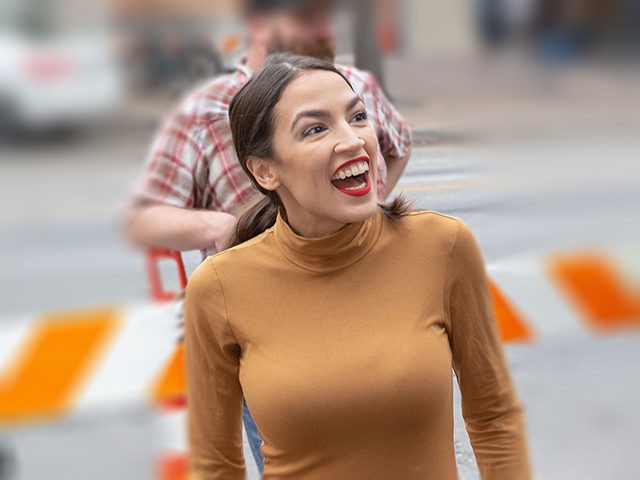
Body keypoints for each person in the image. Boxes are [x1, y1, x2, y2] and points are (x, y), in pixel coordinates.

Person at [184, 53, 531, 479]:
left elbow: (494, 417)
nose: (352, 140)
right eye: (315, 128)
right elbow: (215, 464)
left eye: (358, 117)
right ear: (265, 170)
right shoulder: (219, 287)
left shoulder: (443, 247)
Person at [124, 0, 411, 260]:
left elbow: (400, 144)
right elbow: (143, 219)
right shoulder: (205, 109)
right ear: (259, 25)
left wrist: (370, 199)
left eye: (325, 19)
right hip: (258, 291)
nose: (323, 32)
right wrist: (220, 227)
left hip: (369, 269)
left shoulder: (357, 85)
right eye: (305, 19)